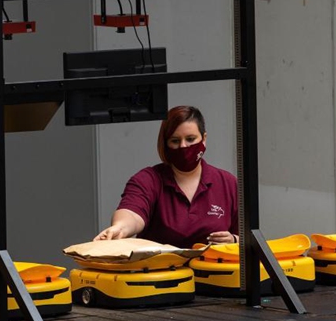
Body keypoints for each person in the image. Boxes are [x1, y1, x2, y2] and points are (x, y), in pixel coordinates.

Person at [94, 105, 238, 248]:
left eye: (190, 139)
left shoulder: (228, 183)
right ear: (165, 143)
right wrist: (120, 228)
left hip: (215, 269)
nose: (183, 146)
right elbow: (132, 213)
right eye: (175, 141)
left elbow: (247, 236)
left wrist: (234, 240)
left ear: (204, 138)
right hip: (159, 269)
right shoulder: (148, 180)